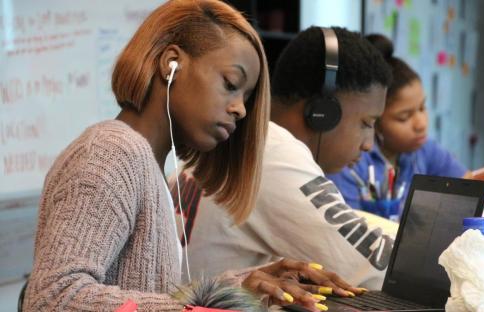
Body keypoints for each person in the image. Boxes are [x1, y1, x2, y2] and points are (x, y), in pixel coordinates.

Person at [22, 2, 361, 311]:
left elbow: (138, 292)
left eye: (246, 96)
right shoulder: (111, 153)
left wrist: (238, 288)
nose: (240, 108)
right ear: (171, 63)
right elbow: (53, 297)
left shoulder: (147, 162)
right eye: (231, 83)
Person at [171, 26, 397, 291]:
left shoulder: (243, 139)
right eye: (366, 122)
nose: (369, 144)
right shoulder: (275, 155)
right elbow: (375, 267)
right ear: (323, 112)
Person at [328, 33, 484, 213]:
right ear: (375, 120)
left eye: (422, 108)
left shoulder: (424, 148)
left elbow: (467, 185)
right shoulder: (351, 161)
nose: (421, 124)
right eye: (404, 117)